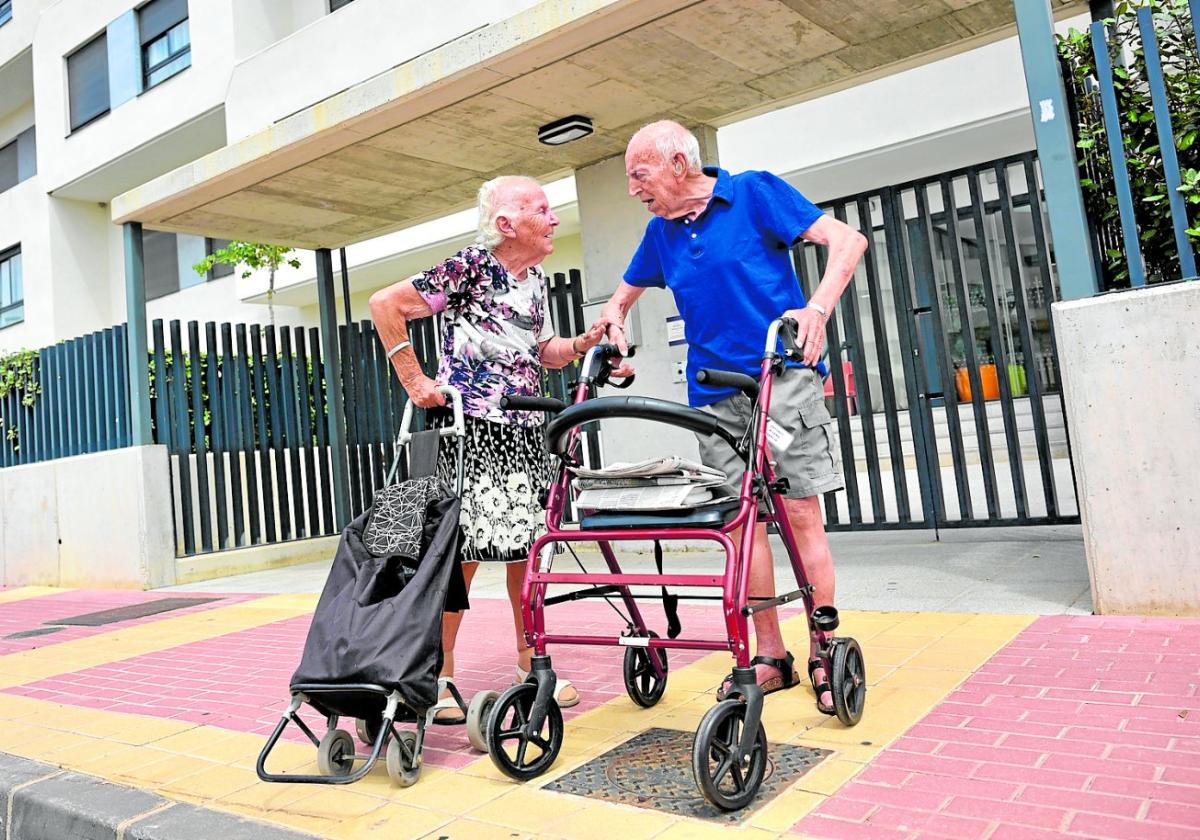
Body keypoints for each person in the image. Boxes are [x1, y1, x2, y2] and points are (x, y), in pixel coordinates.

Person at [601, 120, 868, 714]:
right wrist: (616, 322)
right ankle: (770, 656)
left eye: (638, 175)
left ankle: (824, 646)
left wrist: (817, 309)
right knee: (741, 526)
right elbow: (620, 297)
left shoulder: (753, 193)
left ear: (676, 163)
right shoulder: (660, 232)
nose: (632, 189)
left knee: (800, 514)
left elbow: (848, 241)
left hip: (784, 377)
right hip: (713, 395)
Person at [369, 175, 611, 720]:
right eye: (542, 209)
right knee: (460, 557)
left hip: (523, 430)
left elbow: (542, 349)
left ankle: (532, 665)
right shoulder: (469, 267)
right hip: (469, 429)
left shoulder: (536, 278)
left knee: (529, 552)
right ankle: (438, 676)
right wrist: (415, 381)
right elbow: (386, 305)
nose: (553, 219)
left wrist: (581, 344)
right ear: (507, 224)